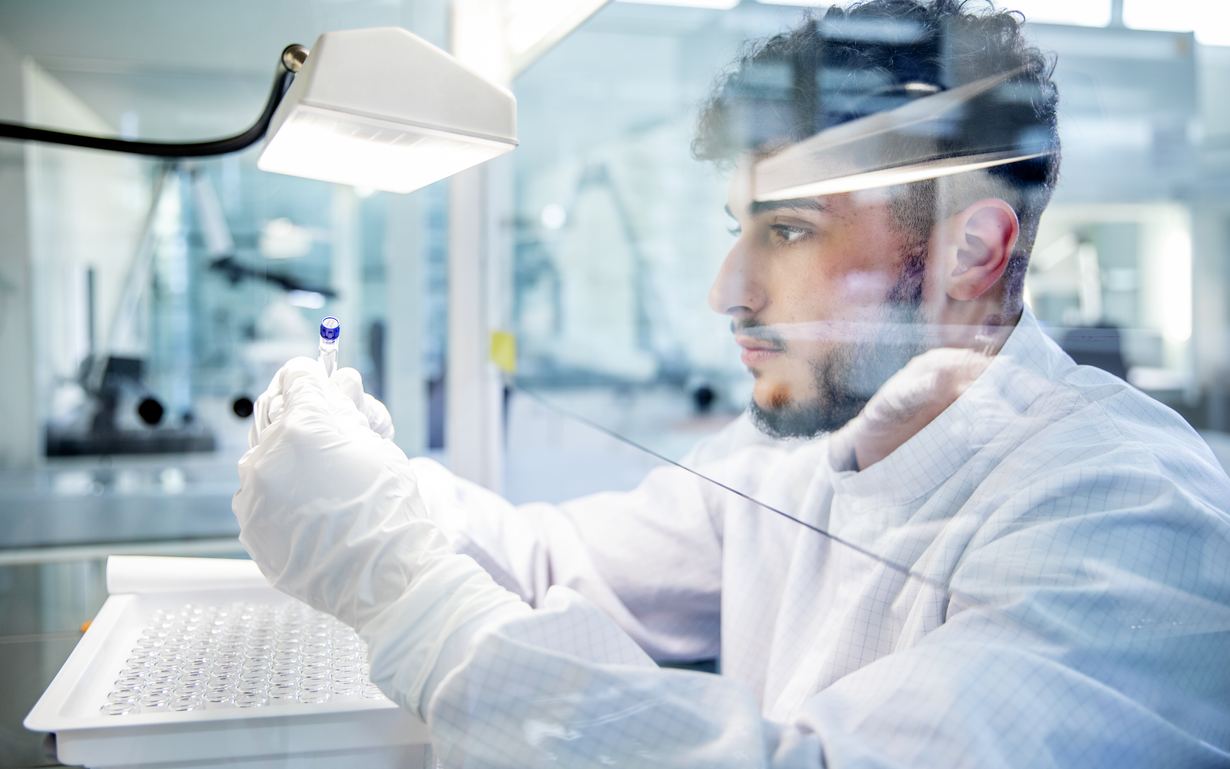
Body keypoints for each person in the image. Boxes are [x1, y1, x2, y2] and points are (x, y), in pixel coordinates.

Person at [232, 1, 1230, 766]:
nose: (729, 291)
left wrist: (394, 581)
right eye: (738, 228)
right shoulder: (795, 457)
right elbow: (554, 567)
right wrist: (371, 485)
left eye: (788, 231)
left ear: (971, 250)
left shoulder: (1128, 518)